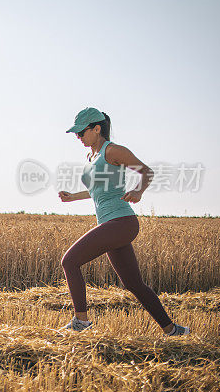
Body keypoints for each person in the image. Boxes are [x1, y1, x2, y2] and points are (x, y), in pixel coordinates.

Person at [57, 107, 188, 336]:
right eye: (76, 134)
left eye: (81, 132)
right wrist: (72, 197)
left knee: (69, 261)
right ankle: (173, 329)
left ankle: (81, 321)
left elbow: (146, 172)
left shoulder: (113, 151)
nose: (78, 137)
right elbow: (97, 191)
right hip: (110, 224)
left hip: (121, 221)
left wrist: (138, 191)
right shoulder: (91, 157)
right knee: (134, 284)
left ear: (97, 129)